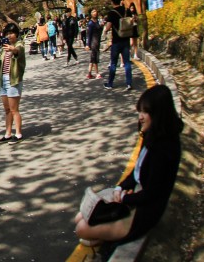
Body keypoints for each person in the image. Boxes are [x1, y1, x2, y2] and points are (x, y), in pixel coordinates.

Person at [75, 85, 183, 246]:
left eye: (145, 112)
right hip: (133, 196)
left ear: (158, 115)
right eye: (140, 111)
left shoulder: (165, 150)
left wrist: (125, 198)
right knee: (81, 215)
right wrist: (120, 189)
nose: (140, 117)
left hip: (143, 211)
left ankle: (106, 236)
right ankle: (103, 233)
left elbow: (152, 194)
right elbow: (136, 172)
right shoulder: (151, 135)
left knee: (81, 228)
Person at [0, 23, 25, 143]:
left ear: (16, 34)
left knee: (14, 109)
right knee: (7, 110)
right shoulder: (4, 49)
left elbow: (18, 51)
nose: (9, 36)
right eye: (7, 34)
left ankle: (18, 133)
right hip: (3, 80)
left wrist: (13, 49)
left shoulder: (19, 44)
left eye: (11, 33)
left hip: (13, 80)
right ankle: (8, 133)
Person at [103, 0, 134, 91]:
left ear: (112, 1)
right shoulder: (126, 10)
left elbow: (108, 27)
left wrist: (105, 30)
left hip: (116, 40)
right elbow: (132, 21)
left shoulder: (111, 13)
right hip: (126, 39)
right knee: (127, 62)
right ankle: (129, 83)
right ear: (121, 0)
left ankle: (110, 83)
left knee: (113, 63)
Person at [85, 9, 103, 79]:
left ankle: (89, 73)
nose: (95, 13)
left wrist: (101, 27)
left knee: (93, 57)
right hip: (93, 42)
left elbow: (99, 31)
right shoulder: (90, 23)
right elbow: (88, 35)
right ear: (91, 14)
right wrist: (87, 44)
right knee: (95, 57)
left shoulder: (97, 22)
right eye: (93, 12)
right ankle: (97, 73)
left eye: (95, 11)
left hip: (97, 41)